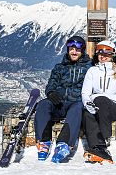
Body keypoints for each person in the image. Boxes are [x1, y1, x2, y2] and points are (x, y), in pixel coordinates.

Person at [34, 35, 91, 163]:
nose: (74, 52)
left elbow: (105, 67)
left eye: (77, 49)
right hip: (59, 103)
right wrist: (51, 93)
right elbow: (51, 84)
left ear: (82, 50)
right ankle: (44, 141)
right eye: (71, 48)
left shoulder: (89, 67)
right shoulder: (60, 67)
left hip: (75, 103)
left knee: (77, 108)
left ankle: (64, 144)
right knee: (43, 104)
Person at [81, 40, 116, 164]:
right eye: (100, 53)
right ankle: (99, 149)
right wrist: (88, 103)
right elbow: (85, 93)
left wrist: (103, 96)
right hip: (96, 107)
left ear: (113, 55)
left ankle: (105, 136)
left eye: (107, 53)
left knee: (101, 100)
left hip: (113, 110)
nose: (103, 56)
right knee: (86, 114)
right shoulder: (92, 71)